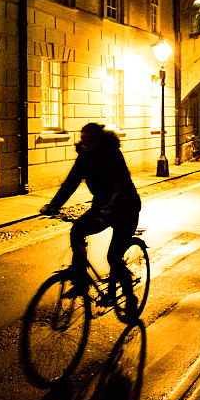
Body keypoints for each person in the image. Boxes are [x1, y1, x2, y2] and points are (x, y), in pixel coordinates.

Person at [39, 123, 141, 293]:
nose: (85, 142)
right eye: (83, 138)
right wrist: (53, 206)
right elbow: (70, 183)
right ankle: (80, 280)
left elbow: (121, 183)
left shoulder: (112, 154)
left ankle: (130, 298)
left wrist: (111, 206)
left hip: (125, 207)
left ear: (99, 139)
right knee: (77, 231)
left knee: (113, 256)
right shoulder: (84, 157)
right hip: (102, 206)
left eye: (89, 139)